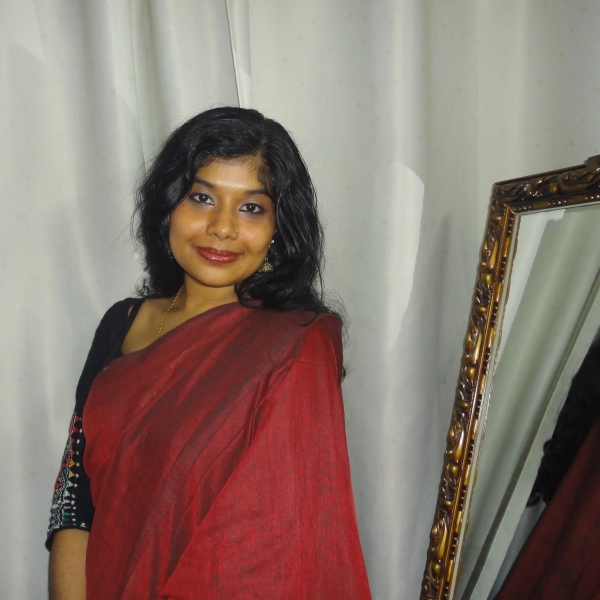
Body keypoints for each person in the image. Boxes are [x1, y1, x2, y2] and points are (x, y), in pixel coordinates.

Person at [46, 107, 371, 599]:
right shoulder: (121, 324)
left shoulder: (294, 347)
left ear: (279, 226)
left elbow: (275, 545)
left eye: (251, 207)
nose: (222, 227)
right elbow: (75, 498)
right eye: (202, 198)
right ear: (168, 206)